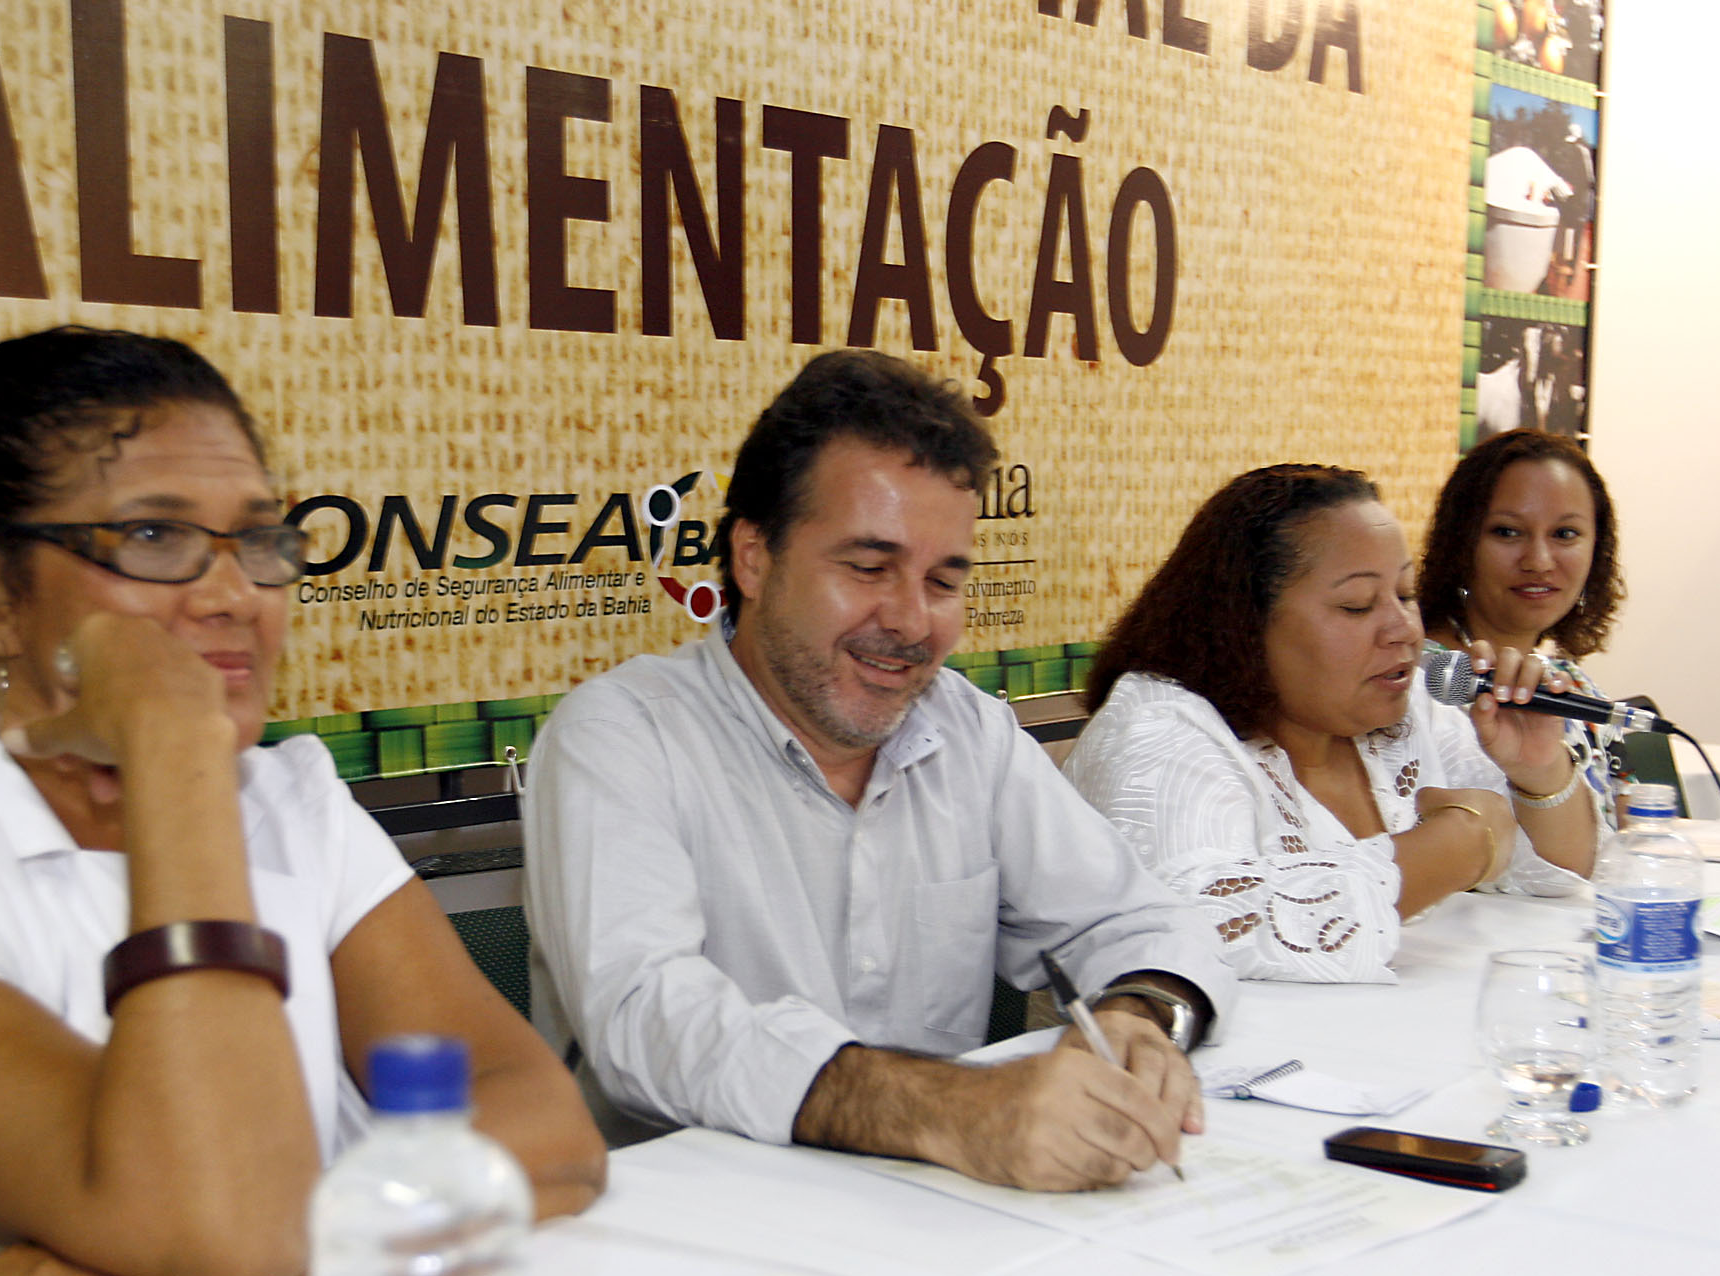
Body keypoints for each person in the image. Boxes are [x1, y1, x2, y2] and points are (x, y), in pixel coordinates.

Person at [0, 328, 605, 1276]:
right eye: (151, 536)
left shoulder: (294, 801)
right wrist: (173, 746)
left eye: (259, 539)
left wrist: (232, 1258)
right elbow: (216, 1226)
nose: (234, 593)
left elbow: (547, 1131)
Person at [523, 350, 1234, 1193]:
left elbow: (1141, 918)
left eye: (942, 580)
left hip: (942, 1212)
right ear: (753, 556)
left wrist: (1138, 1017)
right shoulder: (621, 734)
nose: (908, 619)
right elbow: (650, 1019)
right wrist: (949, 1108)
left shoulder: (965, 727)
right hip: (701, 1237)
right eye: (867, 567)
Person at [1062, 465, 1598, 985]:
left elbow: (1554, 872)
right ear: (1244, 624)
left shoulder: (1404, 705)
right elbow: (1202, 930)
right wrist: (1460, 843)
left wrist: (1539, 771)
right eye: (1357, 605)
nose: (1405, 629)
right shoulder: (1156, 730)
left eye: (1406, 595)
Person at [1419, 427, 1624, 826]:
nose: (1539, 560)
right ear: (1461, 542)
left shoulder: (1572, 684)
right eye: (1508, 532)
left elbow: (1627, 834)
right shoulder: (1424, 682)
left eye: (1565, 534)